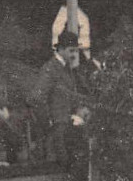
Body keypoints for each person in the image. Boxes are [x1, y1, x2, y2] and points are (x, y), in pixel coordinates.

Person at [32, 31, 90, 165]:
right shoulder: (50, 69)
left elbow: (67, 94)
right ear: (61, 49)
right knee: (63, 165)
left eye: (75, 51)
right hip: (58, 128)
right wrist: (49, 123)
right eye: (71, 51)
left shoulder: (65, 68)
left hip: (68, 125)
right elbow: (36, 98)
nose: (74, 55)